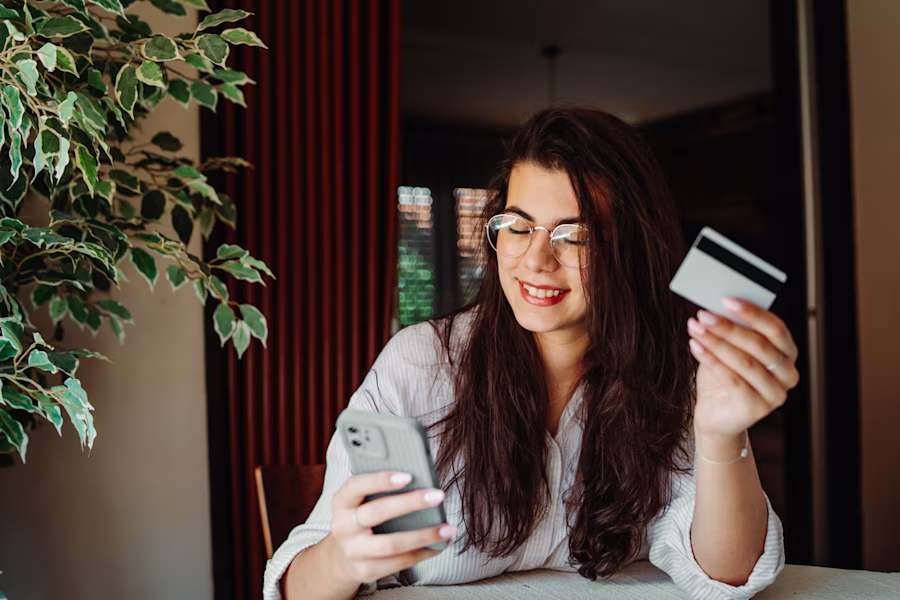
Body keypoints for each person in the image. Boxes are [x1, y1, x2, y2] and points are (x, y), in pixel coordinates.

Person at [263, 107, 797, 600]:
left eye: (576, 235)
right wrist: (343, 557)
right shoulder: (421, 364)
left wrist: (722, 434)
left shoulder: (670, 372)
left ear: (630, 249)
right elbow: (296, 585)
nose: (536, 259)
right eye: (517, 227)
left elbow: (728, 574)